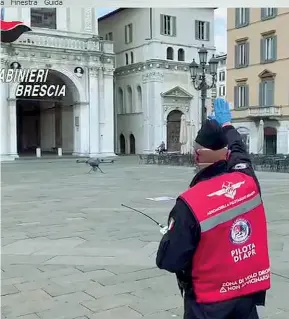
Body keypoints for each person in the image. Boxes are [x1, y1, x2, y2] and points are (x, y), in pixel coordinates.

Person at [156, 98, 270, 319]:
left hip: (208, 303)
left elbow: (169, 260)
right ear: (227, 155)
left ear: (197, 156)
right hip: (246, 296)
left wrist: (169, 236)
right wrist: (227, 125)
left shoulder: (189, 203)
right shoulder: (247, 180)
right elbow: (240, 152)